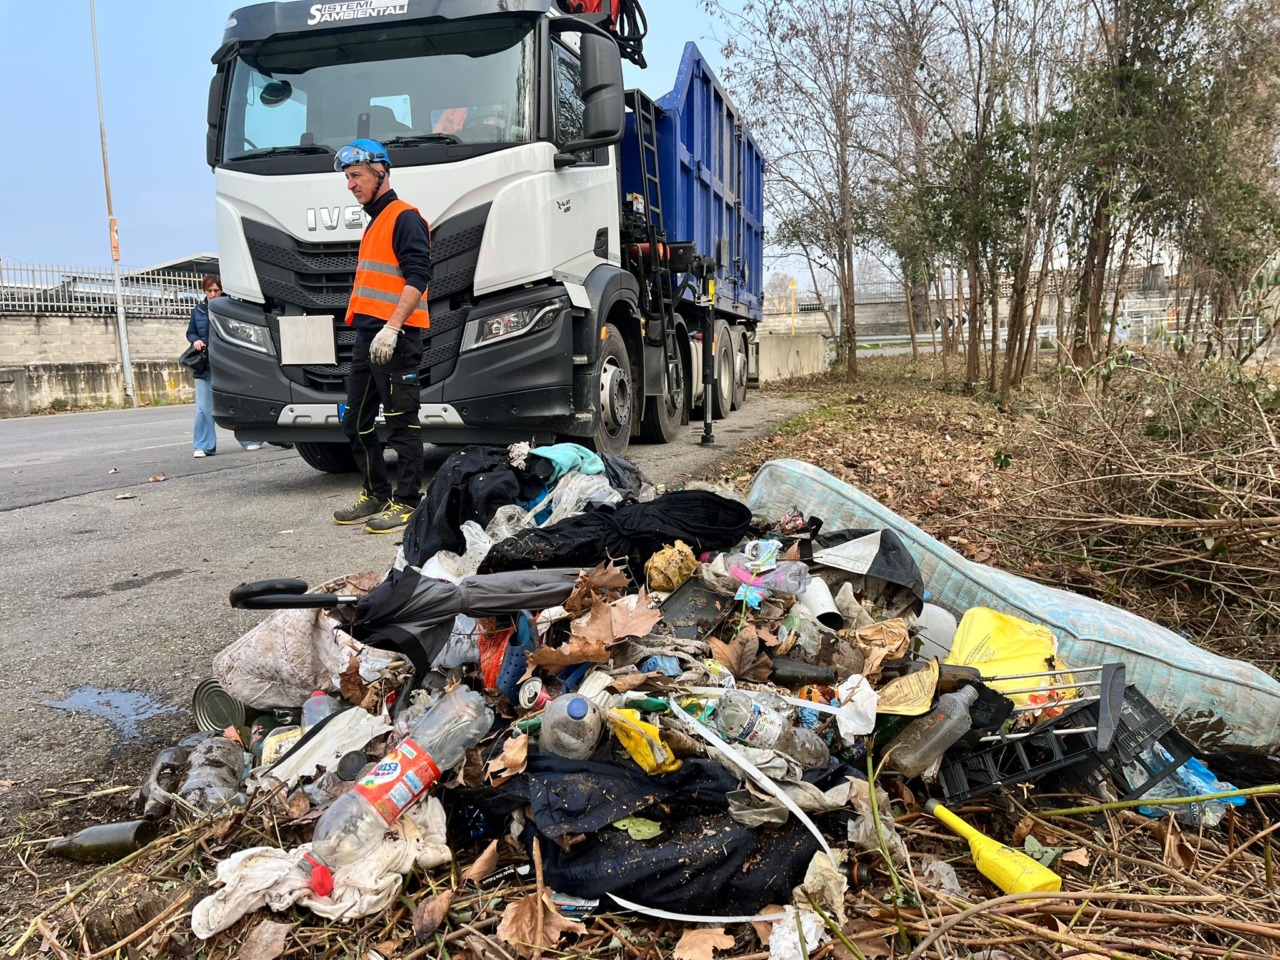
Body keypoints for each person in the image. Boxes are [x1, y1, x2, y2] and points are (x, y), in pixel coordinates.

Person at [331, 138, 432, 534]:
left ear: (381, 172)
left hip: (397, 337)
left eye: (356, 176)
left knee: (400, 423)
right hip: (369, 337)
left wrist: (392, 328)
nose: (351, 184)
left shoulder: (404, 216)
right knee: (355, 421)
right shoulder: (376, 220)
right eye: (348, 177)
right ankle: (375, 493)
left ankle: (407, 503)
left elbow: (419, 277)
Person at [187, 274, 263, 457]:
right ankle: (203, 446)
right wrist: (196, 340)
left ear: (222, 291)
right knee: (204, 409)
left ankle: (250, 439)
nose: (213, 294)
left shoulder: (229, 309)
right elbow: (190, 332)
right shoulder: (198, 310)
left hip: (228, 363)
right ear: (204, 291)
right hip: (205, 365)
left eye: (216, 290)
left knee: (236, 403)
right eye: (210, 291)